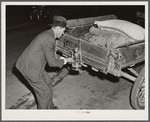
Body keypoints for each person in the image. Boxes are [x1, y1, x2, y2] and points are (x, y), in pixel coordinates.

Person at [15, 15, 72, 109]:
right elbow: (52, 63)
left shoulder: (48, 34)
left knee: (48, 82)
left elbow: (51, 55)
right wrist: (66, 60)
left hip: (34, 65)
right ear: (58, 28)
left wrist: (63, 58)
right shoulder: (49, 39)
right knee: (44, 92)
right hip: (29, 69)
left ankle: (50, 108)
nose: (63, 34)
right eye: (63, 30)